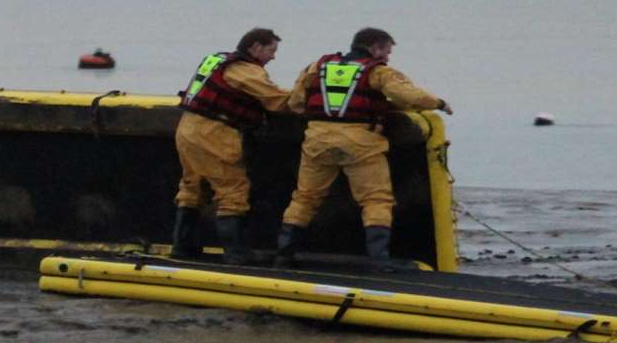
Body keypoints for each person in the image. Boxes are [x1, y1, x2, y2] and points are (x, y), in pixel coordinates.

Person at [276, 27, 452, 267]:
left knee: (305, 197)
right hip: (360, 144)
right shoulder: (378, 72)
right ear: (375, 48)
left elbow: (296, 102)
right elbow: (408, 96)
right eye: (386, 52)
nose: (387, 58)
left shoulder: (317, 66)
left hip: (317, 141)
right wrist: (439, 103)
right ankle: (379, 260)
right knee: (375, 199)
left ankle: (284, 253)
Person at [169, 27, 292, 263]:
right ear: (255, 47)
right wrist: (310, 95)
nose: (273, 56)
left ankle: (182, 247)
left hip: (187, 128)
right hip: (215, 133)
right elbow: (277, 101)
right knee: (232, 190)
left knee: (192, 185)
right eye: (271, 50)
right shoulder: (245, 71)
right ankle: (236, 253)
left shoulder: (216, 60)